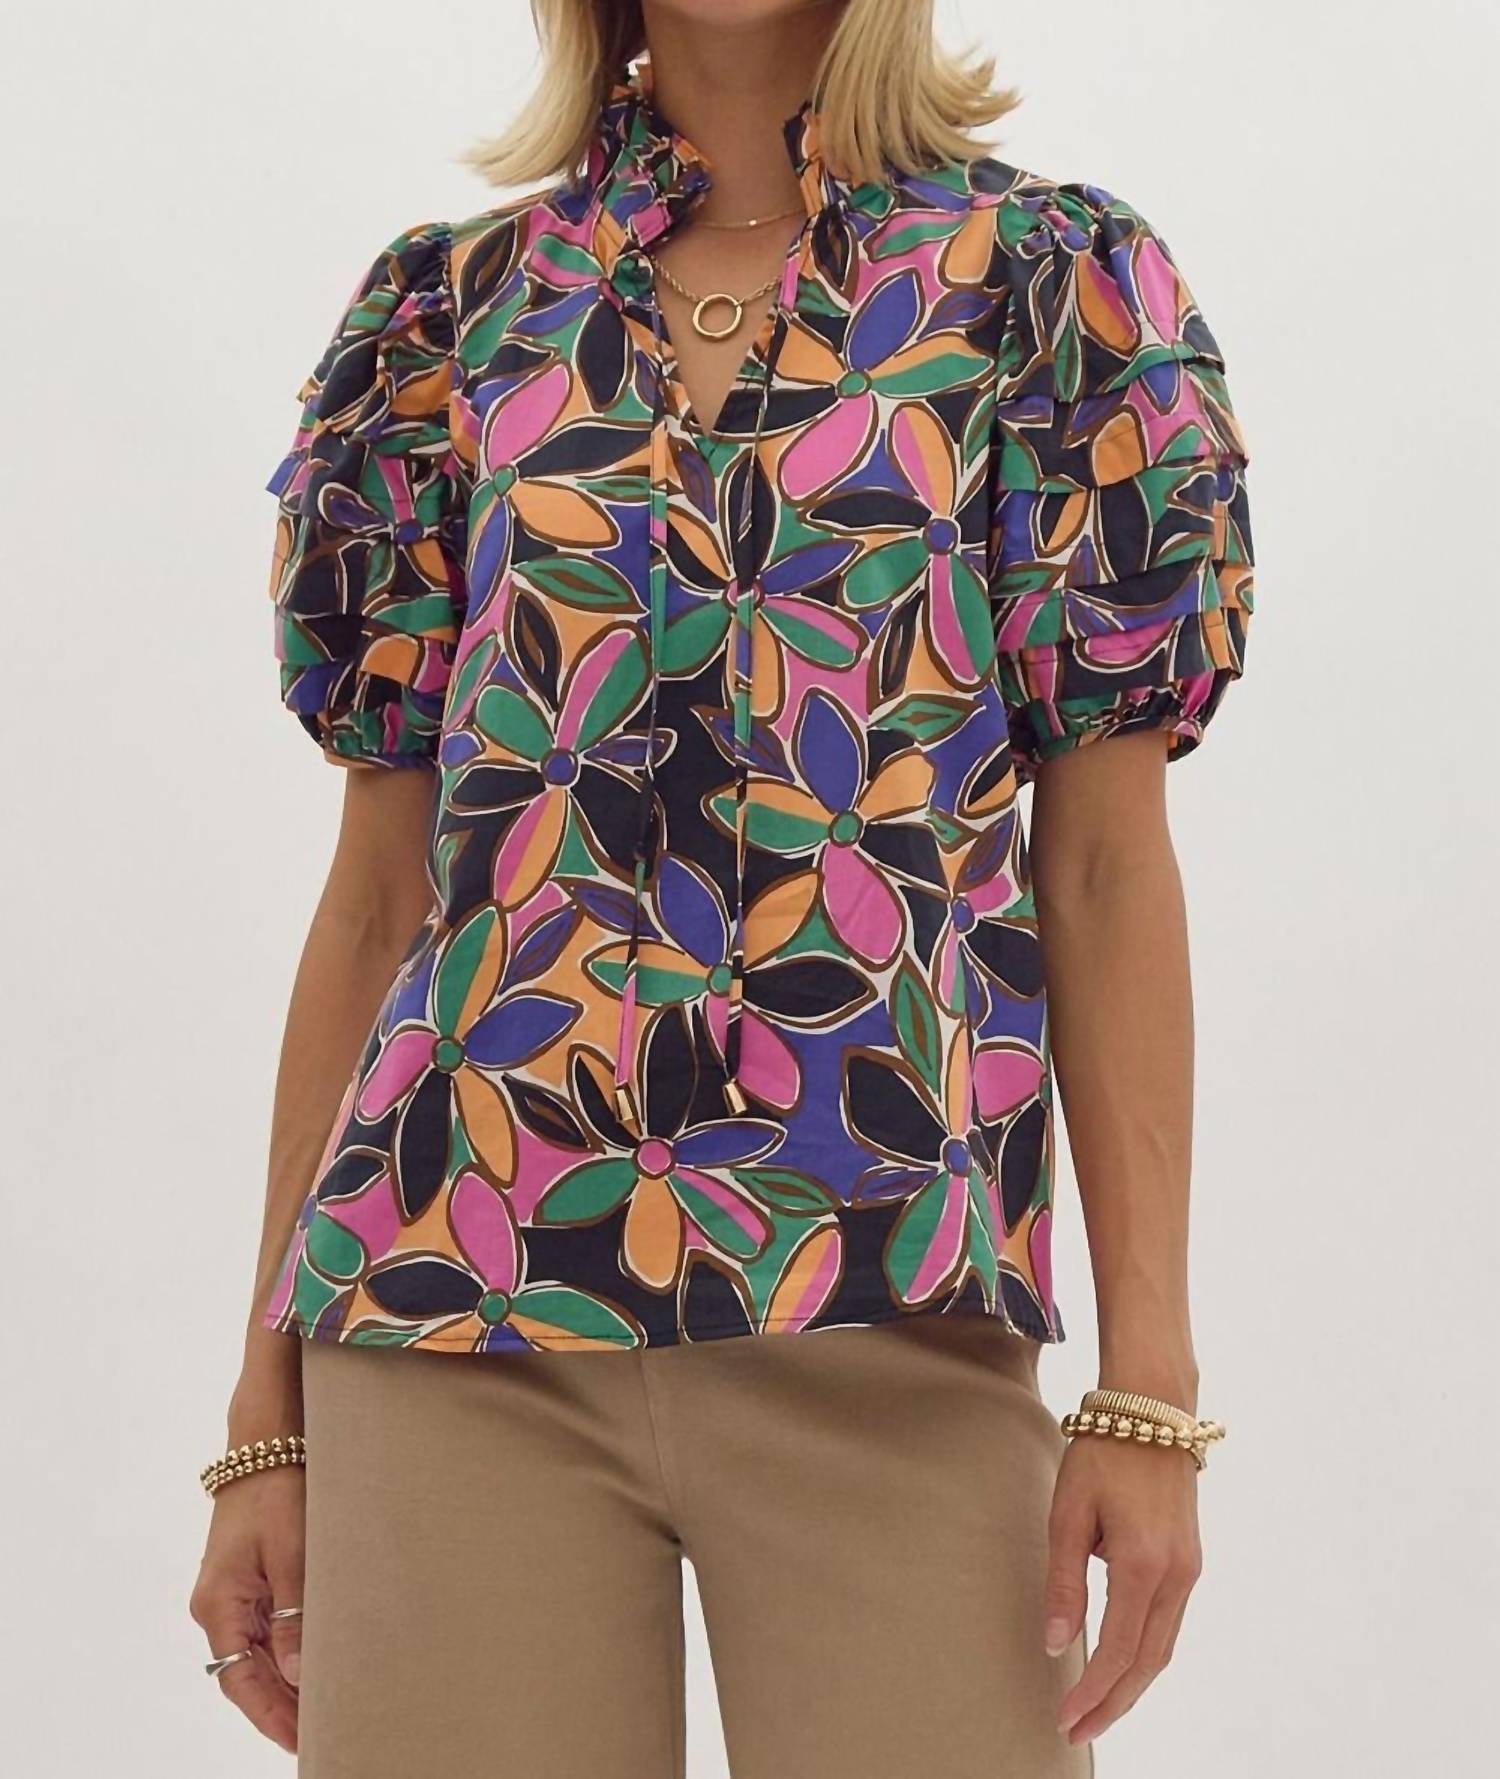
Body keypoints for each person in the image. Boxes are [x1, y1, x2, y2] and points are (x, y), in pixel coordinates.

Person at [189, 1, 1252, 1771]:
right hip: (453, 1313)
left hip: (891, 1314)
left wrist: (1151, 1388)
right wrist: (264, 1418)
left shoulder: (1048, 285)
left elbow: (1103, 866)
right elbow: (379, 901)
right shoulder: (452, 315)